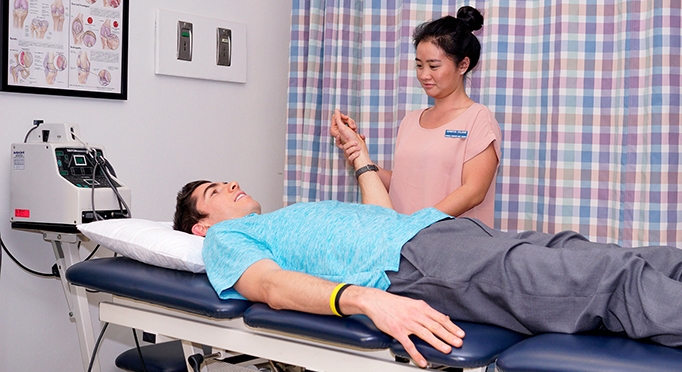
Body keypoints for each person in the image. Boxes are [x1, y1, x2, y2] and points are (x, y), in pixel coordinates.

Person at [174, 121, 682, 368]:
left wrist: (359, 157)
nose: (232, 186)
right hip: (415, 264)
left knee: (625, 257)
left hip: (434, 233)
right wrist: (368, 299)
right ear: (201, 226)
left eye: (226, 181)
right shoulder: (225, 238)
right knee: (602, 284)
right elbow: (271, 286)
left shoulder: (286, 215)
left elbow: (380, 215)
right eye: (215, 192)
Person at [330, 7, 502, 227]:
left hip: (455, 245)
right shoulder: (410, 121)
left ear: (463, 65)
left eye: (433, 66)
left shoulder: (478, 118)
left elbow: (473, 192)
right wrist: (359, 154)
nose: (424, 75)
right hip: (407, 244)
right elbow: (402, 186)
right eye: (419, 65)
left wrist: (417, 224)